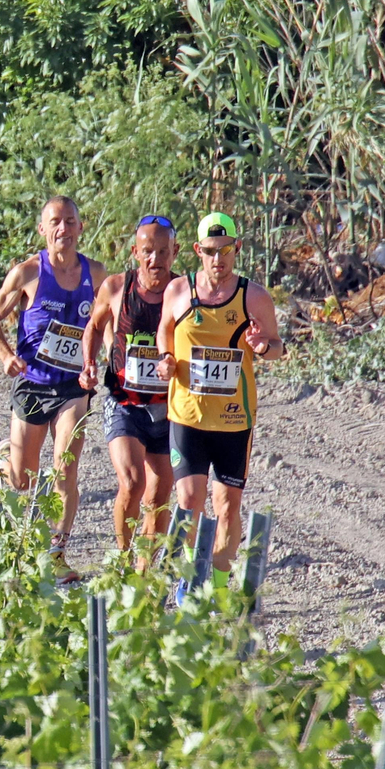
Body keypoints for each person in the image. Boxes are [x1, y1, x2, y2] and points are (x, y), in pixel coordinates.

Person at [156, 212, 284, 600]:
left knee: (227, 507)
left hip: (233, 420)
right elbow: (165, 328)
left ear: (237, 249)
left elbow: (278, 346)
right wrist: (165, 358)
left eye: (225, 251)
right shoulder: (179, 291)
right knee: (190, 501)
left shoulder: (254, 297)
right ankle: (189, 581)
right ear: (197, 251)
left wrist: (263, 347)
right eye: (210, 252)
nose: (218, 260)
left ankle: (224, 587)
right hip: (187, 416)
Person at [0, 196, 106, 566]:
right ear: (42, 229)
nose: (63, 229)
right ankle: (2, 463)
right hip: (33, 382)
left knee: (65, 468)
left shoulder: (95, 274)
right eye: (55, 222)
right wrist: (6, 356)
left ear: (81, 228)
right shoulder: (28, 273)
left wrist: (100, 359)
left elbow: (107, 321)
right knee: (23, 481)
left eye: (70, 221)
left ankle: (57, 554)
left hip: (73, 387)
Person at [79, 215, 178, 554]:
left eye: (163, 252)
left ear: (175, 253)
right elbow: (94, 326)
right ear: (135, 252)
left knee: (159, 496)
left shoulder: (184, 292)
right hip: (124, 402)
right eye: (148, 251)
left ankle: (145, 569)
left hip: (168, 407)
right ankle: (122, 557)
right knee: (133, 483)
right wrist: (89, 363)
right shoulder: (116, 287)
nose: (155, 260)